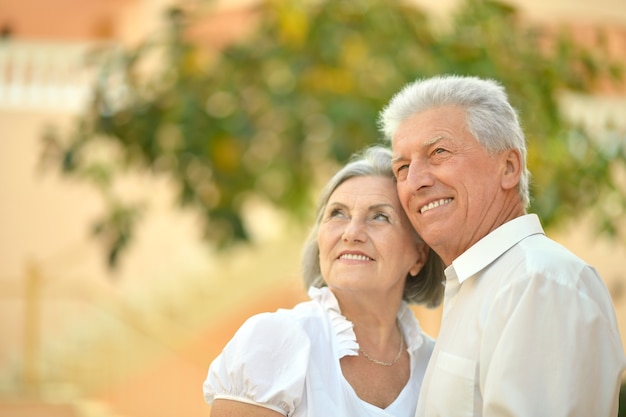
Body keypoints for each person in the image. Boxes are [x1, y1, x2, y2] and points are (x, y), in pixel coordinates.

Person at [378, 74, 626, 416]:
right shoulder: (484, 284)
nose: (415, 182)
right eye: (402, 167)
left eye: (438, 152)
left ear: (509, 167)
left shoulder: (539, 284)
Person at [202, 146, 444, 416]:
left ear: (419, 256)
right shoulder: (275, 340)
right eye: (338, 213)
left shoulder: (439, 367)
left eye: (379, 216)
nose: (352, 233)